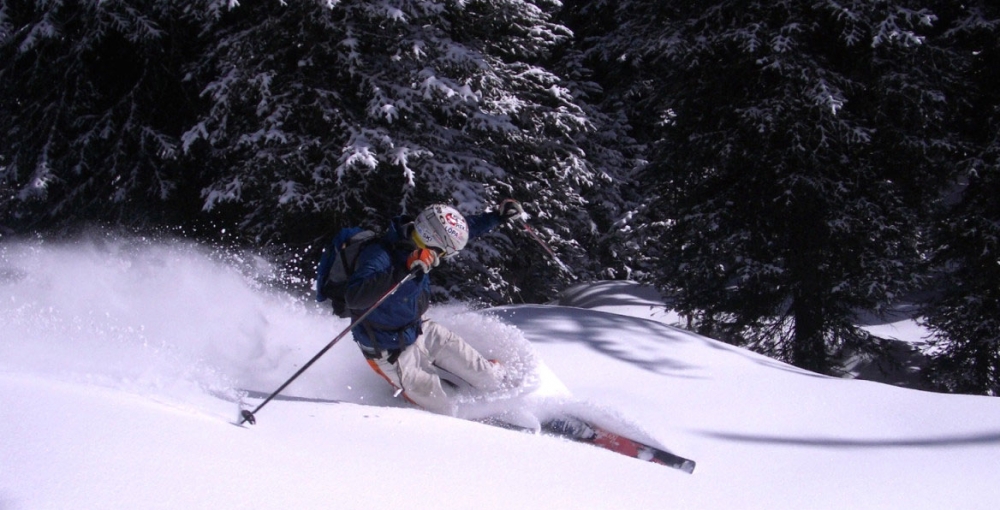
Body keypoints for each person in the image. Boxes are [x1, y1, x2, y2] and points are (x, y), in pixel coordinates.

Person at [344, 200, 525, 415]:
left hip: (422, 330)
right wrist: (404, 268)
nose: (444, 257)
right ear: (433, 242)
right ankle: (473, 421)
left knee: (489, 377)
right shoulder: (379, 255)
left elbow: (458, 231)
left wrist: (497, 216)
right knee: (448, 408)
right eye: (445, 253)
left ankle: (521, 399)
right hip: (390, 353)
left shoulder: (424, 239)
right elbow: (354, 298)